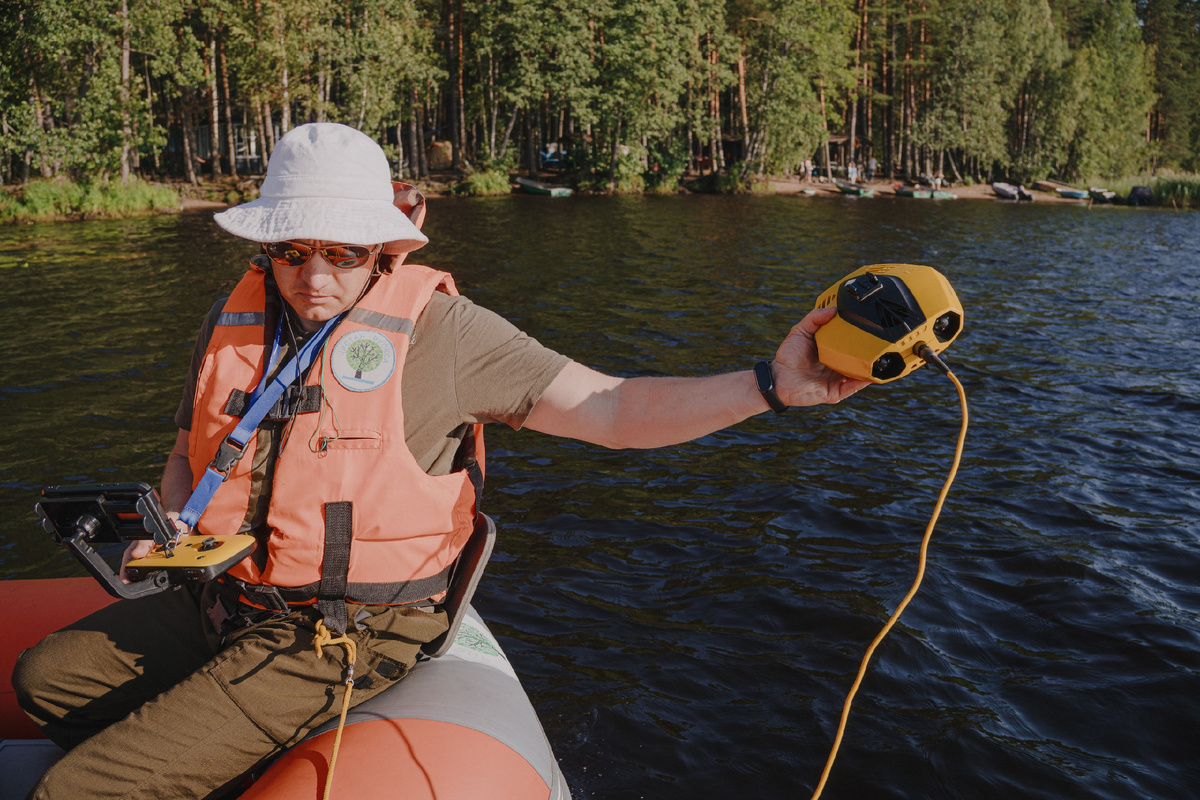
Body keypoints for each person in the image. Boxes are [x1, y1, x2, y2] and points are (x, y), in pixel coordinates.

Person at [12, 123, 866, 800]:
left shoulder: (444, 334)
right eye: (290, 249)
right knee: (44, 680)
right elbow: (186, 450)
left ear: (383, 246)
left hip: (341, 631)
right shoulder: (238, 316)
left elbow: (612, 409)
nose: (312, 276)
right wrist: (168, 529)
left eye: (342, 251)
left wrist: (770, 386)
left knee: (73, 793)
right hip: (225, 593)